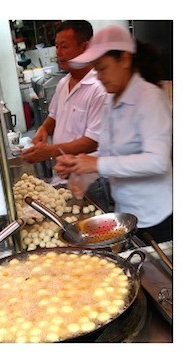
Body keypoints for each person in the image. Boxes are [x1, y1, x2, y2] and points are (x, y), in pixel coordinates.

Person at [54, 25, 172, 243]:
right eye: (96, 70)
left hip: (157, 220)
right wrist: (79, 168)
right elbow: (107, 153)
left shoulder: (150, 99)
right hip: (126, 216)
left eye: (103, 68)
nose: (99, 77)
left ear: (124, 60)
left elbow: (158, 161)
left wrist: (96, 165)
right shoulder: (111, 101)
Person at [21, 21, 107, 186]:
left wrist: (49, 151)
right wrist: (44, 129)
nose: (58, 53)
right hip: (62, 175)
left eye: (64, 46)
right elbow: (54, 116)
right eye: (57, 46)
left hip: (88, 181)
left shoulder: (99, 88)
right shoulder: (63, 83)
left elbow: (92, 142)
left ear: (85, 47)